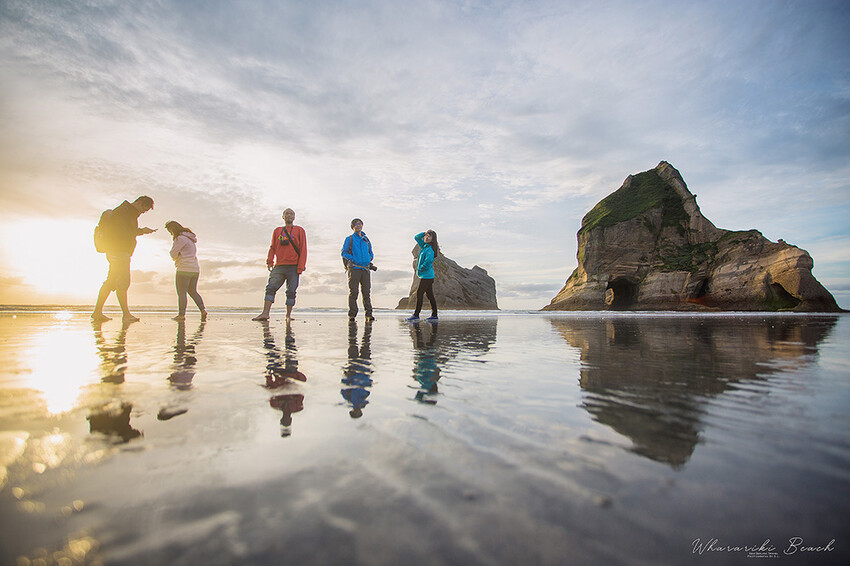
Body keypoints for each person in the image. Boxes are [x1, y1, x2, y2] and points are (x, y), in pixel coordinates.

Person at [92, 196, 156, 322]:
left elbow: (125, 231)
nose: (143, 212)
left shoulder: (127, 212)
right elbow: (121, 232)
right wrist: (141, 231)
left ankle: (97, 312)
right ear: (139, 203)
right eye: (144, 209)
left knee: (111, 282)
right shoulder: (124, 212)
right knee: (123, 282)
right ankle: (126, 315)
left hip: (117, 251)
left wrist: (141, 231)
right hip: (119, 251)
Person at [253, 208, 307, 321]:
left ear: (294, 217)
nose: (289, 215)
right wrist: (269, 261)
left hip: (294, 267)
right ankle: (265, 313)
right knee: (270, 288)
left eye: (291, 214)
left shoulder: (300, 230)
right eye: (286, 214)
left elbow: (303, 249)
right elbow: (272, 247)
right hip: (279, 266)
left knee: (291, 291)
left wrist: (301, 266)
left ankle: (288, 315)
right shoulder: (277, 231)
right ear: (283, 216)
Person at [165, 221, 207, 322]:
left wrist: (177, 257)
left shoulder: (180, 238)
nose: (170, 234)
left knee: (181, 293)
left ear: (173, 229)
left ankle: (181, 315)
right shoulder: (190, 239)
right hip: (195, 269)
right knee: (193, 291)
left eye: (170, 231)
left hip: (184, 268)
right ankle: (203, 310)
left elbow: (173, 253)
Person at [341, 218, 375, 321]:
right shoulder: (349, 239)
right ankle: (352, 315)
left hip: (365, 269)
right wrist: (353, 259)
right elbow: (344, 252)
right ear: (353, 227)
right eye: (356, 224)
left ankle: (369, 315)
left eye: (360, 224)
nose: (358, 225)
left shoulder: (366, 240)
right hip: (354, 269)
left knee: (366, 293)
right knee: (354, 292)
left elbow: (371, 252)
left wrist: (369, 258)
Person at [405, 230, 439, 323]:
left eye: (429, 236)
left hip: (427, 276)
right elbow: (416, 237)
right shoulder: (424, 246)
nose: (427, 237)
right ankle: (434, 315)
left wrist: (421, 268)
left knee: (419, 294)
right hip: (426, 276)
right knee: (430, 295)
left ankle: (416, 315)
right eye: (426, 236)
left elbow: (429, 261)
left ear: (433, 239)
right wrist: (424, 233)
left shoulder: (430, 249)